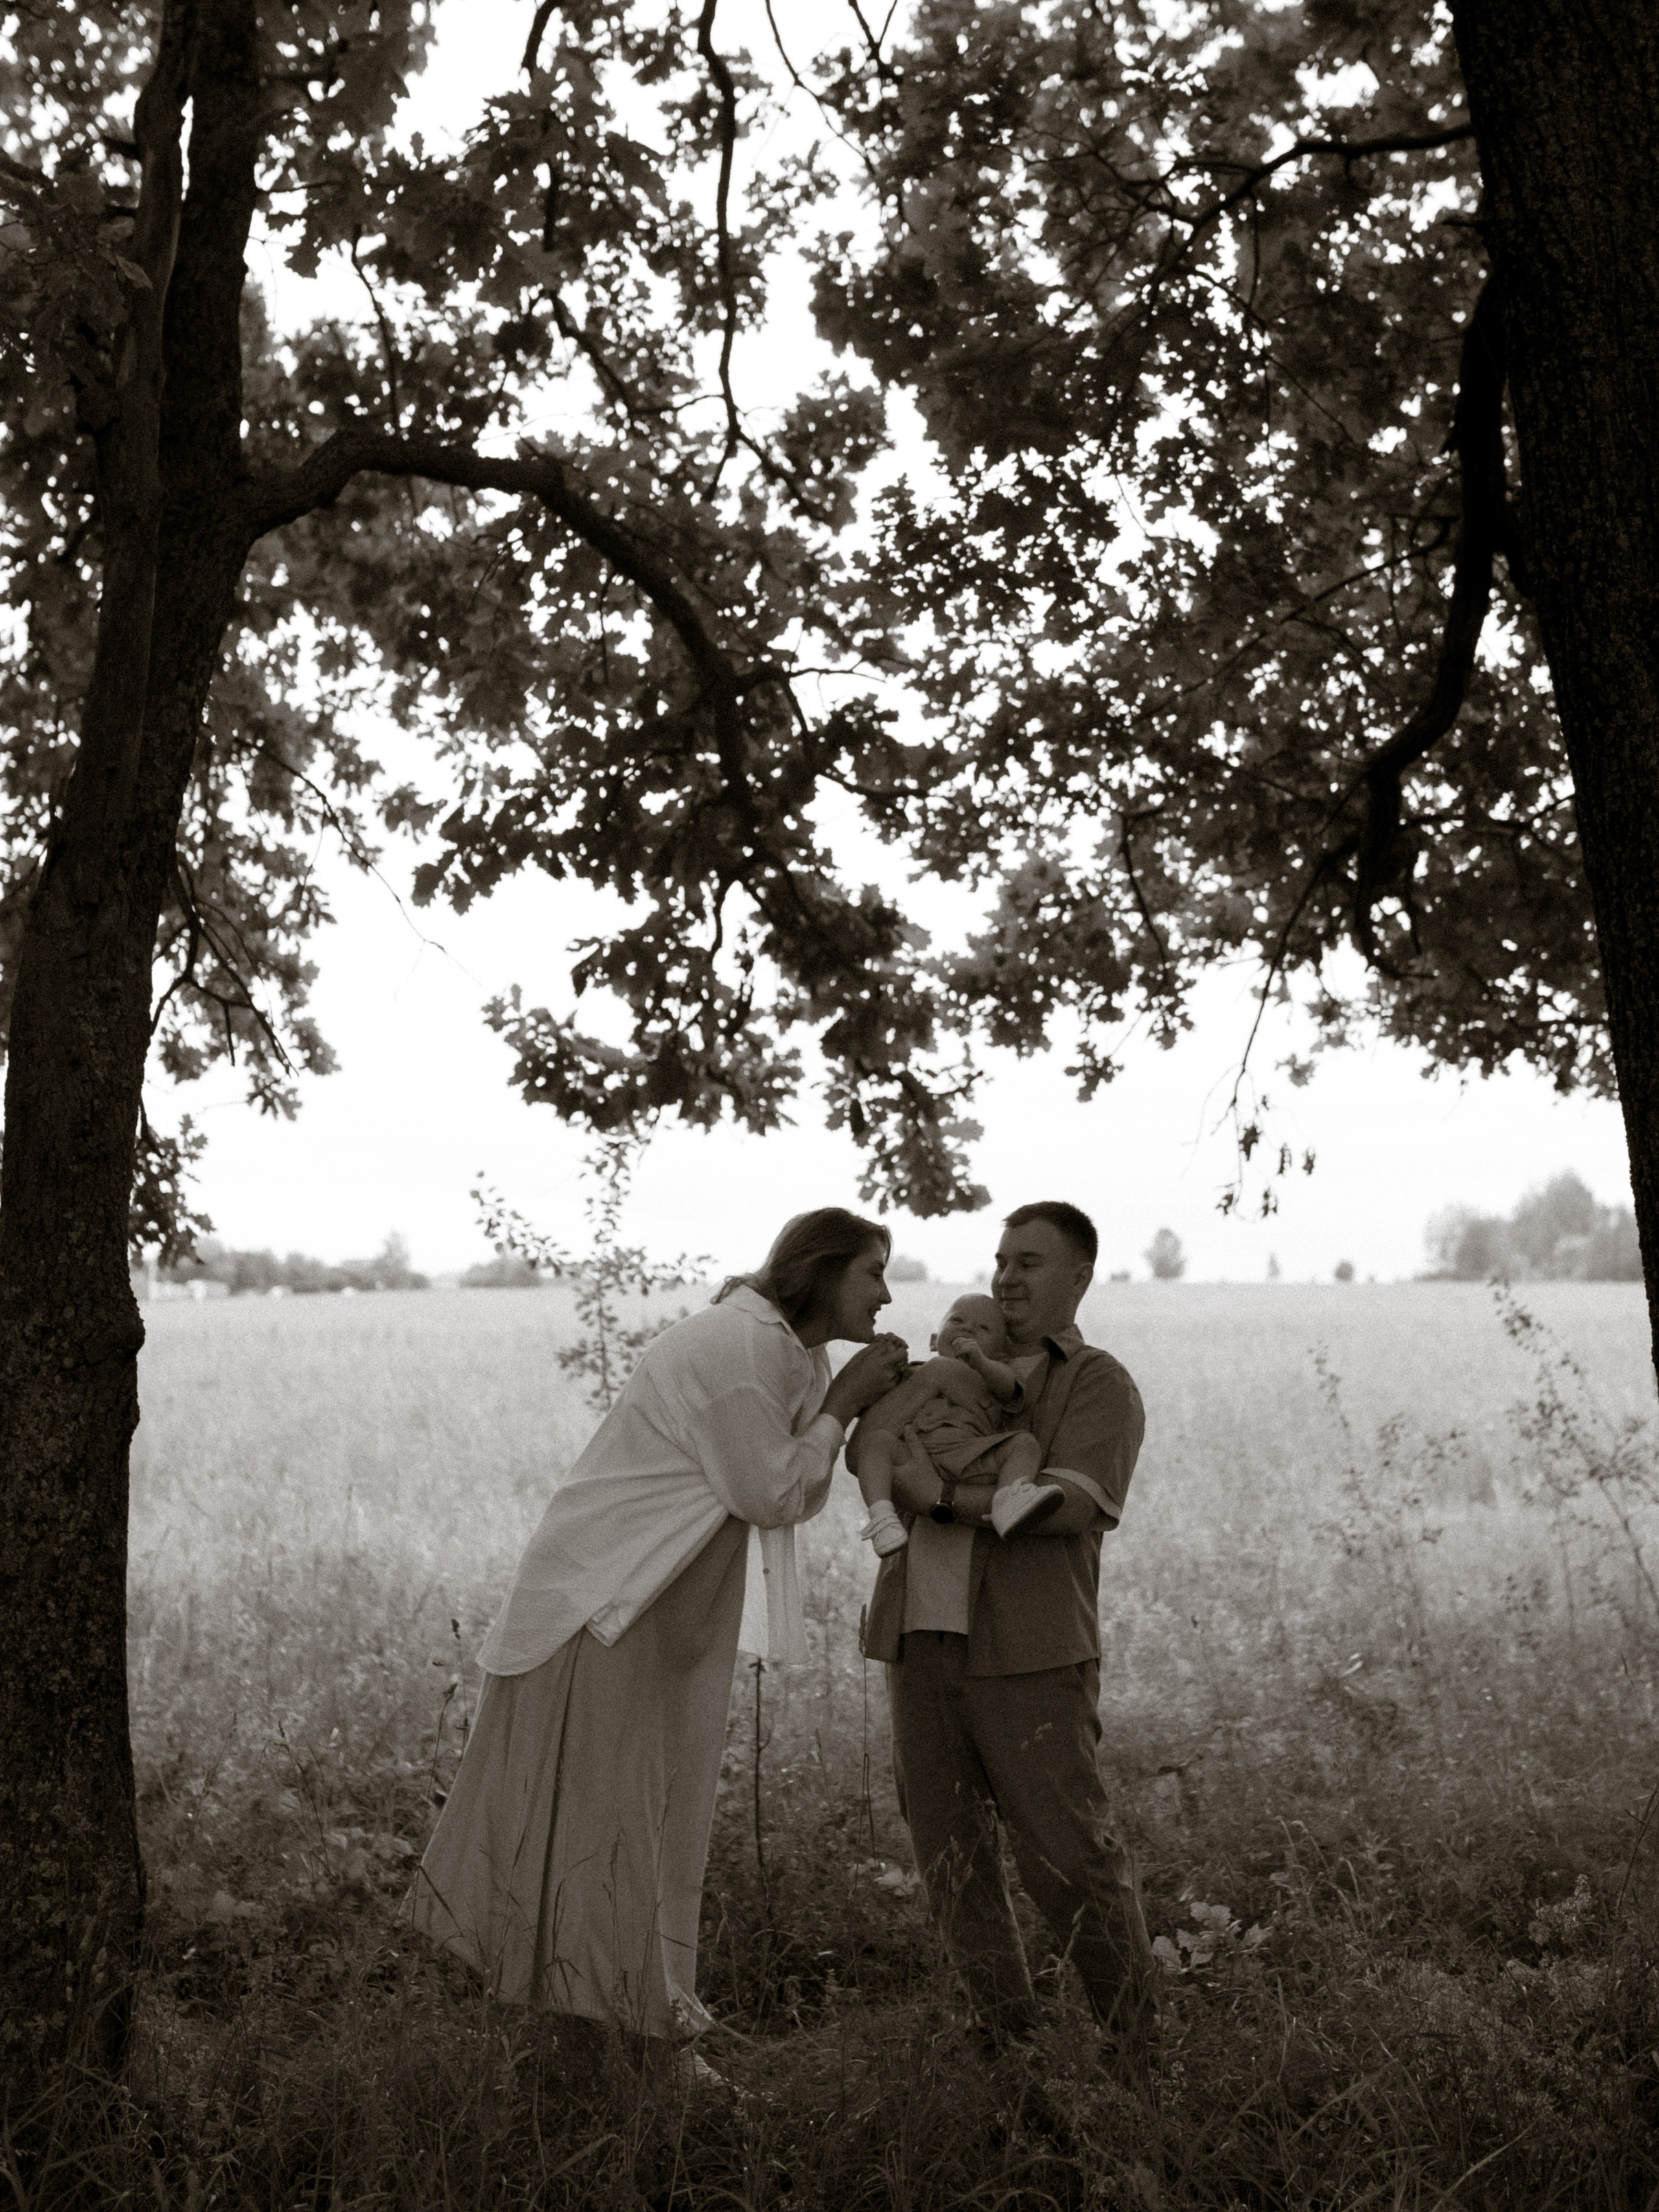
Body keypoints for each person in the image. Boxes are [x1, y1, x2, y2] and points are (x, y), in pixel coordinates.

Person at [408, 1207, 909, 2064]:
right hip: (603, 1605)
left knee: (646, 1827)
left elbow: (792, 1486)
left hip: (644, 1609)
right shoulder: (741, 1346)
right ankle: (633, 2046)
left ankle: (621, 2036)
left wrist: (844, 1403)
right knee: (608, 1832)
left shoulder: (787, 1351)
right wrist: (844, 1404)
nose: (887, 1295)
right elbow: (769, 1491)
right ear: (823, 1271)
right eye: (873, 1272)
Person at [859, 1200, 1155, 2071]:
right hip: (920, 1639)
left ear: (1079, 1277)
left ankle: (1139, 2057)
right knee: (950, 1861)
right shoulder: (940, 1365)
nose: (1007, 1276)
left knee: (1069, 1858)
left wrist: (942, 1498)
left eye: (1030, 1261)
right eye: (1001, 1259)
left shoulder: (1096, 1382)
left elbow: (1069, 1504)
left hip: (1030, 1650)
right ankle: (1006, 2053)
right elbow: (875, 1453)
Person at [850, 1292, 1064, 1554]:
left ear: (1000, 1355)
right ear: (933, 1341)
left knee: (1024, 1444)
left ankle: (1008, 1501)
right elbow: (869, 1407)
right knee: (876, 1442)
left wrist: (982, 1363)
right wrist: (886, 1355)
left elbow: (1009, 1389)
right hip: (915, 1453)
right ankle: (883, 1518)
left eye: (983, 1328)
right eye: (957, 1321)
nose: (968, 1329)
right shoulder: (915, 1372)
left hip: (969, 1455)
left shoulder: (994, 1375)